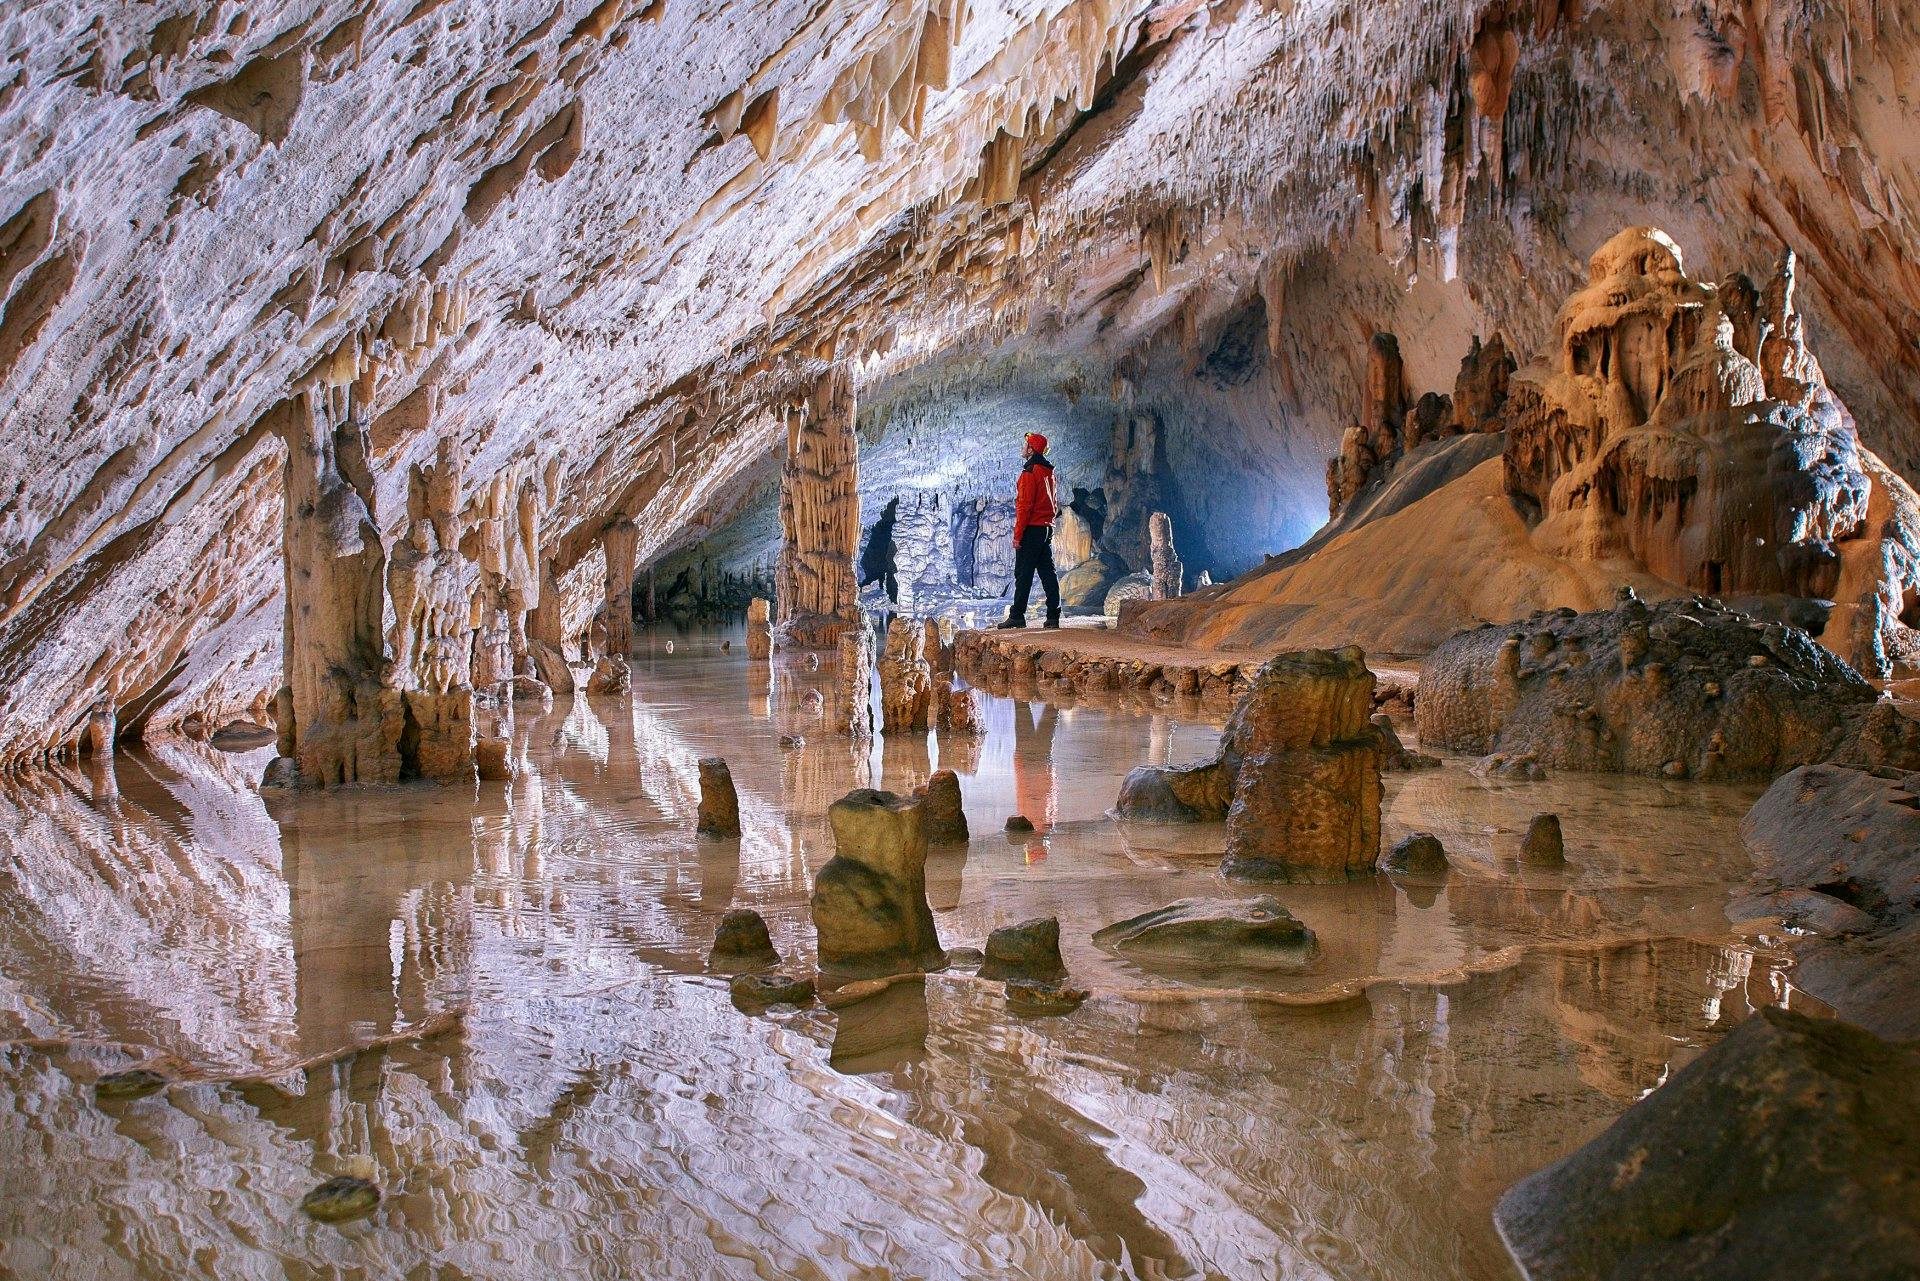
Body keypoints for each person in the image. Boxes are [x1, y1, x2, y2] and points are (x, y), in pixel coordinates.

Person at [999, 431, 1061, 629]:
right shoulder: (1048, 472)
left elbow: (1024, 507)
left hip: (1033, 528)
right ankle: (1053, 615)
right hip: (1046, 528)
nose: (1022, 447)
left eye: (1025, 445)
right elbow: (1054, 502)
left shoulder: (1030, 473)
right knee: (1048, 573)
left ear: (1031, 449)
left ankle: (1017, 615)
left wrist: (1018, 536)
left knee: (1023, 573)